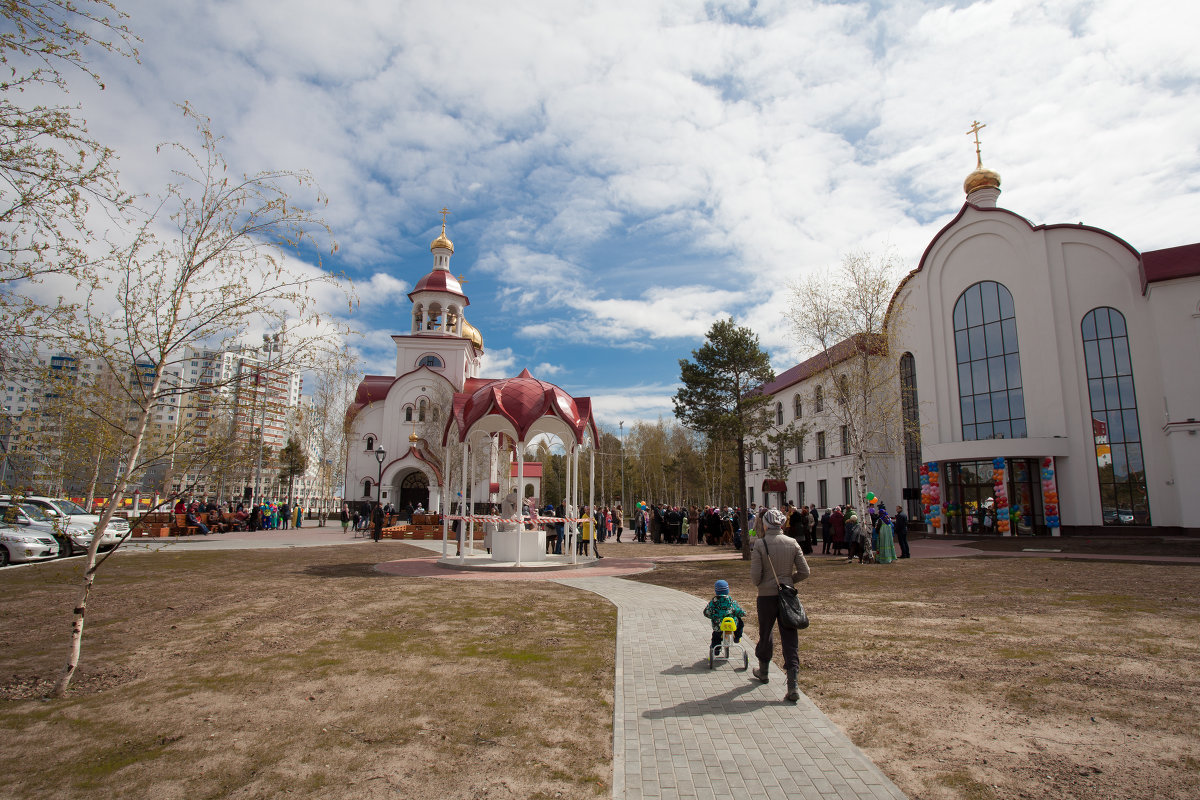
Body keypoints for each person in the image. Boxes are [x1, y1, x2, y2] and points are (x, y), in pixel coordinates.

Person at [750, 507, 810, 703]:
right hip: (788, 596)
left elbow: (755, 577)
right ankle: (792, 683)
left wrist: (764, 584)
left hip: (766, 596)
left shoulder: (760, 544)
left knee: (765, 633)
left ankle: (764, 670)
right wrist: (789, 582)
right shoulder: (792, 543)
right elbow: (804, 571)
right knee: (790, 637)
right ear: (782, 524)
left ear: (766, 524)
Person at [702, 579, 746, 651]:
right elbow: (738, 611)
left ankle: (715, 650)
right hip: (731, 626)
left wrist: (712, 616)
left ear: (716, 591)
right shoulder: (731, 602)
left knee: (716, 637)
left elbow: (706, 613)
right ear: (727, 590)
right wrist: (743, 613)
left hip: (718, 626)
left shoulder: (713, 603)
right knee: (740, 623)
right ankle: (737, 637)